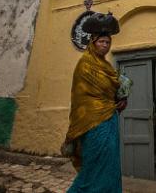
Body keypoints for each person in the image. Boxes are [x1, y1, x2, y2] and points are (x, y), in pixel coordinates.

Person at [64, 18, 128, 193]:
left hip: (109, 120)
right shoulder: (85, 64)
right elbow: (85, 95)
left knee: (110, 162)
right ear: (93, 42)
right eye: (101, 41)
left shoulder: (106, 66)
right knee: (94, 163)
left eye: (108, 42)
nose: (105, 45)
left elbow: (110, 91)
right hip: (91, 123)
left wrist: (121, 99)